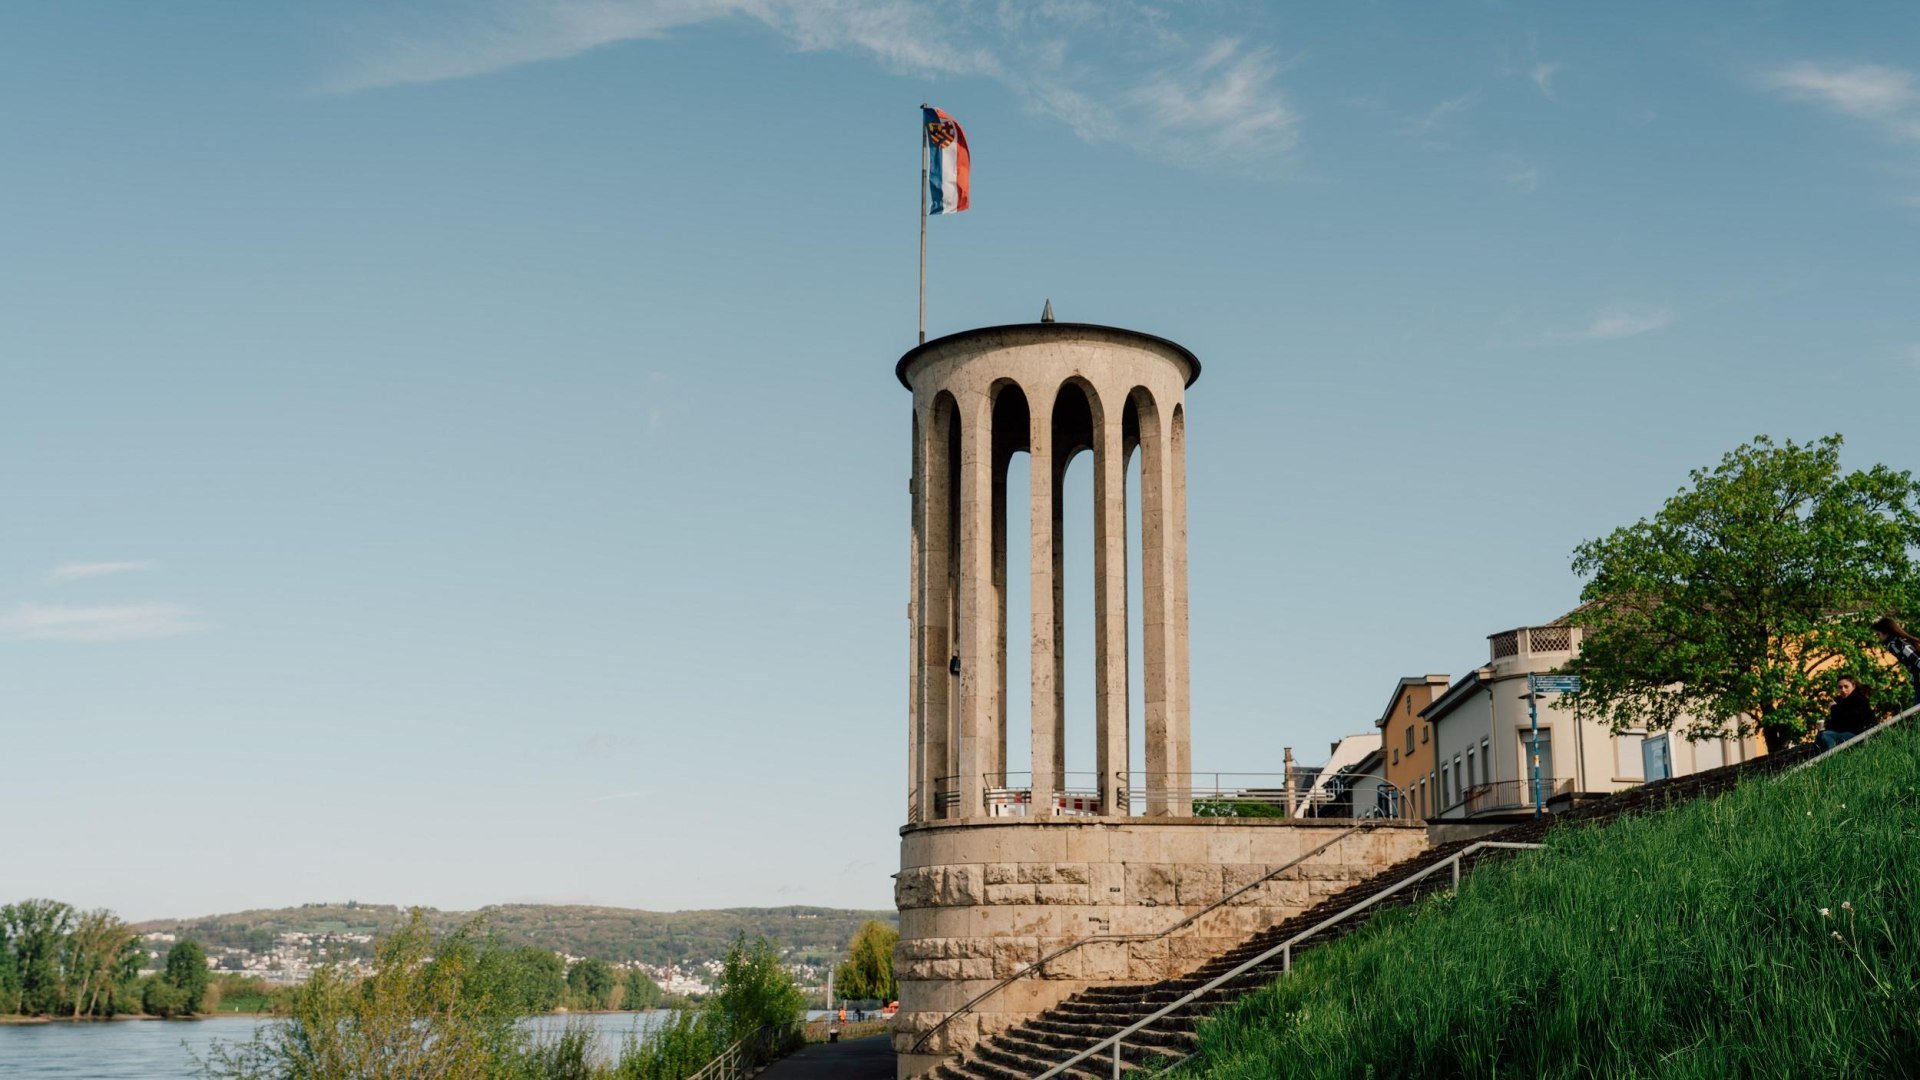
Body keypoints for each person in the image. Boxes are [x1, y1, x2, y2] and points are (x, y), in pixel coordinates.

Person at [1818, 674, 1875, 751]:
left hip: (1858, 734)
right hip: (1845, 733)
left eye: (1846, 686)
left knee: (1826, 735)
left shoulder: (1859, 700)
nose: (1843, 690)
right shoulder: (1839, 701)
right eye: (1840, 687)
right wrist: (1826, 725)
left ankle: (1832, 759)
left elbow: (1852, 722)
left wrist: (1834, 708)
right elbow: (1837, 722)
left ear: (1853, 686)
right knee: (1820, 735)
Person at [1872, 616, 1920, 708]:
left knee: (1916, 712)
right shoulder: (1899, 641)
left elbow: (1916, 659)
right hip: (1917, 680)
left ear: (1886, 633)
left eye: (1878, 635)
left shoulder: (1896, 643)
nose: (1878, 638)